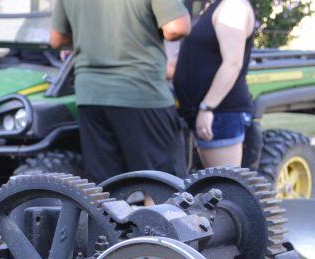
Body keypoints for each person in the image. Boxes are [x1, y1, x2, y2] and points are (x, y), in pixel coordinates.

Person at [50, 0, 191, 184]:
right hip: (141, 91)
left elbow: (57, 39)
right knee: (161, 184)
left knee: (106, 187)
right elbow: (177, 27)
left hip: (91, 95)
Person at [173, 0, 256, 168]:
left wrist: (207, 108)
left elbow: (233, 63)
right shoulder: (218, 6)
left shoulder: (233, 8)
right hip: (213, 114)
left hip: (220, 113)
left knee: (225, 188)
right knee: (216, 187)